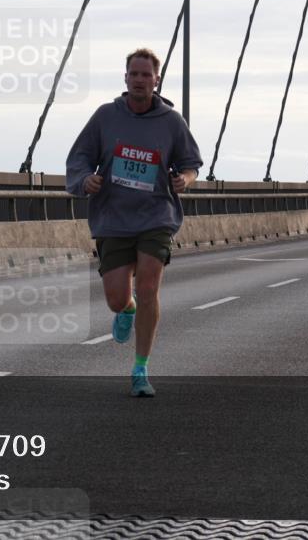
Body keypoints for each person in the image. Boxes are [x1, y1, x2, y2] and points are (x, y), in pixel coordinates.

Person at [66, 48, 203, 397]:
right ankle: (125, 310)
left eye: (146, 75)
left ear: (156, 81)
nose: (140, 80)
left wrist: (185, 180)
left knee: (148, 288)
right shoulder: (105, 117)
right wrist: (86, 180)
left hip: (156, 216)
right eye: (134, 74)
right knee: (117, 298)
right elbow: (79, 158)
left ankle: (140, 369)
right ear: (125, 78)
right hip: (113, 217)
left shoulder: (171, 122)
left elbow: (191, 165)